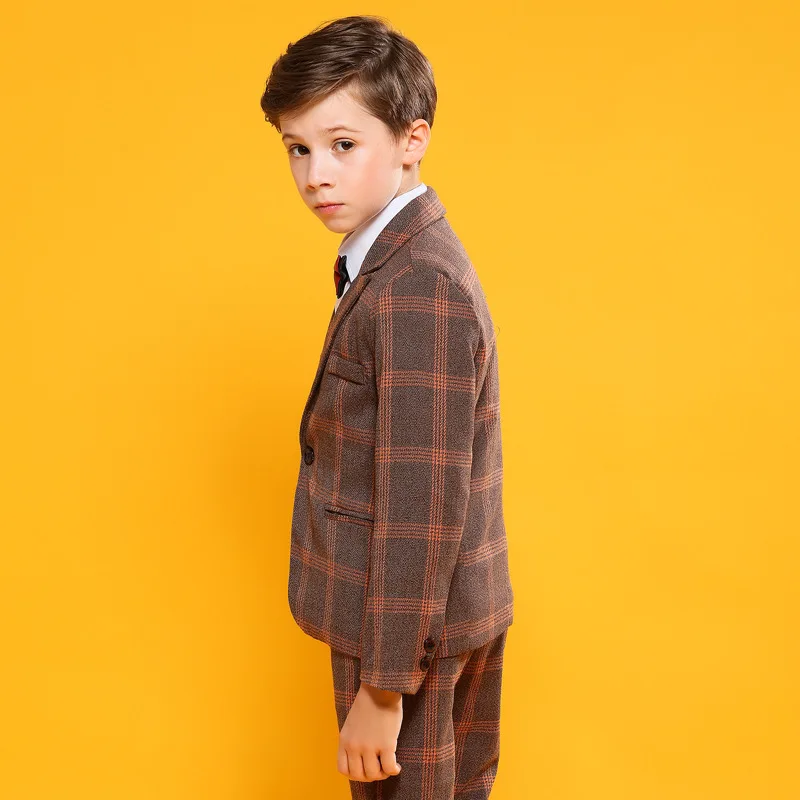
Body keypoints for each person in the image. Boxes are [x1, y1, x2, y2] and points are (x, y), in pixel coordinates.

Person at [260, 14, 515, 799]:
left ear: (412, 139)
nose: (316, 175)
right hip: (425, 619)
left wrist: (383, 687)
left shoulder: (415, 286)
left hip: (404, 635)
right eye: (298, 148)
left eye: (342, 144)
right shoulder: (397, 260)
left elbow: (420, 503)